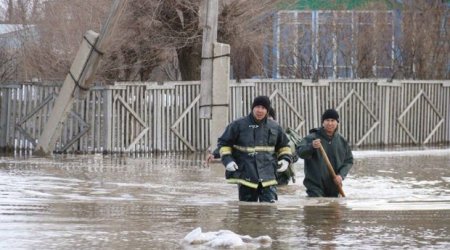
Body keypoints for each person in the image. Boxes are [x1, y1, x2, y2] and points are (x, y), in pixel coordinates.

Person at [217, 96, 292, 202]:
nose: (260, 110)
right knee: (247, 211)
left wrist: (285, 159)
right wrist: (228, 161)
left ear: (267, 110)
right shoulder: (237, 125)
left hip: (268, 176)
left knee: (270, 211)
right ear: (252, 108)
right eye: (257, 107)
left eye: (263, 108)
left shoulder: (275, 127)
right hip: (246, 175)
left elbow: (284, 146)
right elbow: (224, 143)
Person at [296, 109, 353, 197]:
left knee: (333, 208)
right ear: (323, 122)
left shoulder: (342, 141)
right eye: (327, 120)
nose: (330, 123)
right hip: (315, 186)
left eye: (333, 120)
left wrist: (341, 176)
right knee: (318, 207)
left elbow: (348, 161)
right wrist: (311, 146)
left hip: (334, 186)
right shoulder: (312, 138)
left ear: (337, 122)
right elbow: (300, 152)